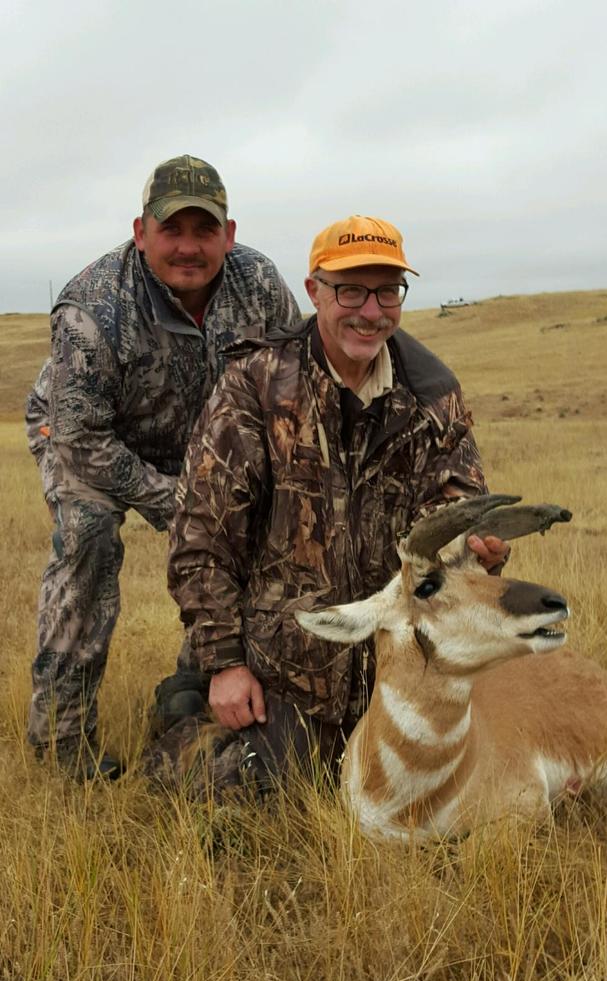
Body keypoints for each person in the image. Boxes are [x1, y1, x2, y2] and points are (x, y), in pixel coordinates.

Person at [160, 214, 507, 793]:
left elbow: (460, 510)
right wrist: (225, 663)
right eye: (350, 290)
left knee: (442, 796)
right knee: (240, 797)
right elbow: (201, 537)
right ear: (314, 290)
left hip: (392, 671)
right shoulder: (257, 385)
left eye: (387, 291)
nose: (370, 312)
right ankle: (188, 702)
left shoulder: (434, 396)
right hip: (283, 668)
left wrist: (477, 553)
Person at [26, 154, 300, 779]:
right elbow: (80, 438)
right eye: (171, 229)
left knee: (266, 527)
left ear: (228, 236)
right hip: (85, 438)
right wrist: (184, 502)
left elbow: (291, 388)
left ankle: (193, 685)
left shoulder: (259, 285)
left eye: (205, 231)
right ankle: (62, 743)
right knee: (88, 537)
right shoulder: (91, 308)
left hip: (204, 444)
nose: (188, 247)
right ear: (140, 231)